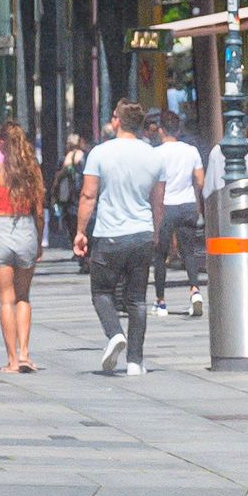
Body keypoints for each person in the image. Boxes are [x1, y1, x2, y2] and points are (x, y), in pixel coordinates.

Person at [75, 101, 167, 372]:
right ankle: (135, 362)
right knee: (137, 299)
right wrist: (156, 232)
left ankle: (115, 333)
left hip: (110, 234)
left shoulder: (100, 153)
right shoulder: (154, 156)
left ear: (117, 121)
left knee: (102, 292)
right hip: (141, 233)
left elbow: (88, 195)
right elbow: (158, 201)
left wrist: (81, 232)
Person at [0, 118, 46, 374]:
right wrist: (39, 241)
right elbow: (39, 212)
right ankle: (25, 354)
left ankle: (10, 360)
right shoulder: (33, 172)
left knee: (5, 299)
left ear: (0, 143)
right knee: (23, 296)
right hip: (26, 229)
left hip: (1, 228)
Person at [148, 110, 208, 314]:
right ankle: (195, 290)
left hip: (165, 207)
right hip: (187, 204)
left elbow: (152, 185)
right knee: (188, 251)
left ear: (161, 130)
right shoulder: (191, 151)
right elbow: (200, 180)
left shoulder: (156, 154)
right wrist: (197, 201)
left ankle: (161, 300)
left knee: (160, 254)